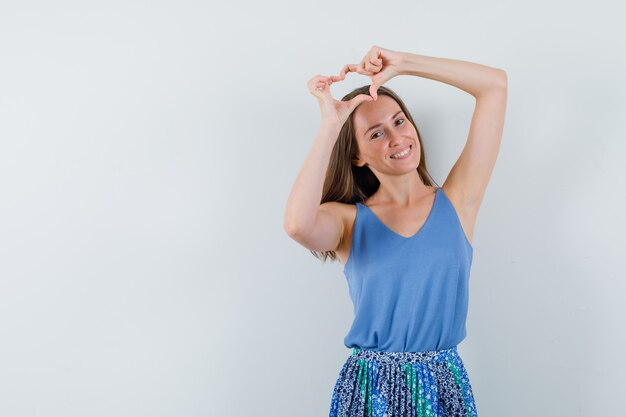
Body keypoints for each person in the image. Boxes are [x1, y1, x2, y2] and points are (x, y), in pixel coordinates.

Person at [283, 45, 507, 417]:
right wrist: (331, 125)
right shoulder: (347, 222)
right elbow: (296, 225)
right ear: (356, 155)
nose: (396, 138)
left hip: (443, 386)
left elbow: (494, 86)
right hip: (371, 391)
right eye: (375, 134)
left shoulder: (458, 201)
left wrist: (404, 64)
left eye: (399, 121)